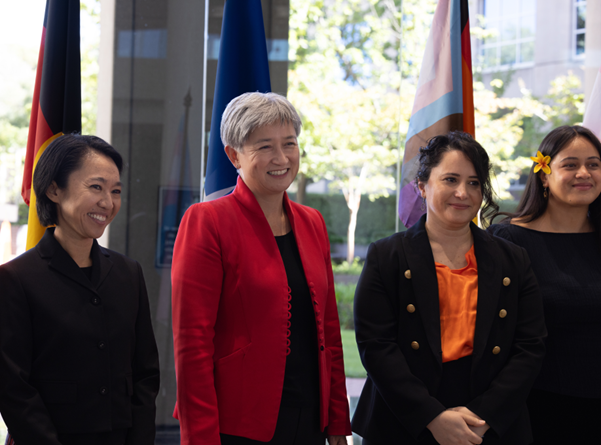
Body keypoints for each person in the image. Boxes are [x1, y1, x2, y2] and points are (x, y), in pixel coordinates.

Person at [171, 92, 351, 445]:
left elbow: (330, 333)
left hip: (310, 422)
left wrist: (337, 424)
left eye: (290, 144)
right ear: (234, 154)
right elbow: (191, 344)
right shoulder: (207, 221)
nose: (282, 158)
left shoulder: (312, 222)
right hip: (238, 427)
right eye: (265, 147)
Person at [352, 131, 547, 445]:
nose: (463, 193)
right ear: (422, 186)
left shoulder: (512, 258)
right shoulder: (386, 255)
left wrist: (483, 418)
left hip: (488, 419)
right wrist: (431, 417)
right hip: (406, 417)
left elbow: (530, 346)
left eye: (474, 183)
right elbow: (376, 346)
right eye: (450, 179)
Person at [0, 135, 160, 445]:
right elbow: (12, 387)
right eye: (96, 187)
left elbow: (145, 374)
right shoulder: (15, 278)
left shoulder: (128, 273)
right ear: (54, 189)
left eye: (116, 191)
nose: (107, 202)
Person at [488, 125, 601, 444]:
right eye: (570, 164)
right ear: (543, 173)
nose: (585, 173)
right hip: (538, 409)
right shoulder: (507, 240)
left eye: (593, 164)